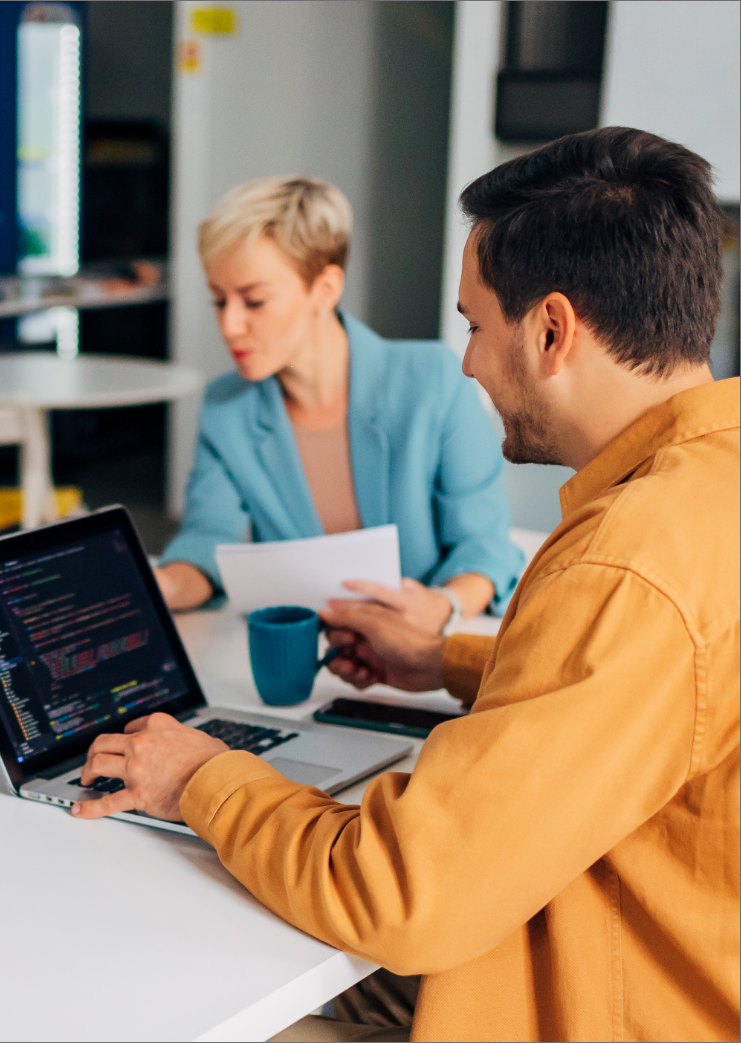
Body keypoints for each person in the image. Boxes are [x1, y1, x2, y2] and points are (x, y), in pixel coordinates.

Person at [73, 127, 738, 1041]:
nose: (468, 361)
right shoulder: (706, 487)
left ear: (552, 330)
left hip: (608, 996)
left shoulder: (620, 567)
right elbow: (664, 695)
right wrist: (447, 659)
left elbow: (401, 891)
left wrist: (201, 777)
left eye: (475, 325)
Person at [153, 177, 522, 633]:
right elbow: (207, 541)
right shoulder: (226, 407)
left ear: (325, 288)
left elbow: (483, 545)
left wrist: (444, 605)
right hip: (303, 653)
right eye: (218, 300)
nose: (229, 325)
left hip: (422, 650)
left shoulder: (433, 381)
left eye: (254, 301)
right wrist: (162, 586)